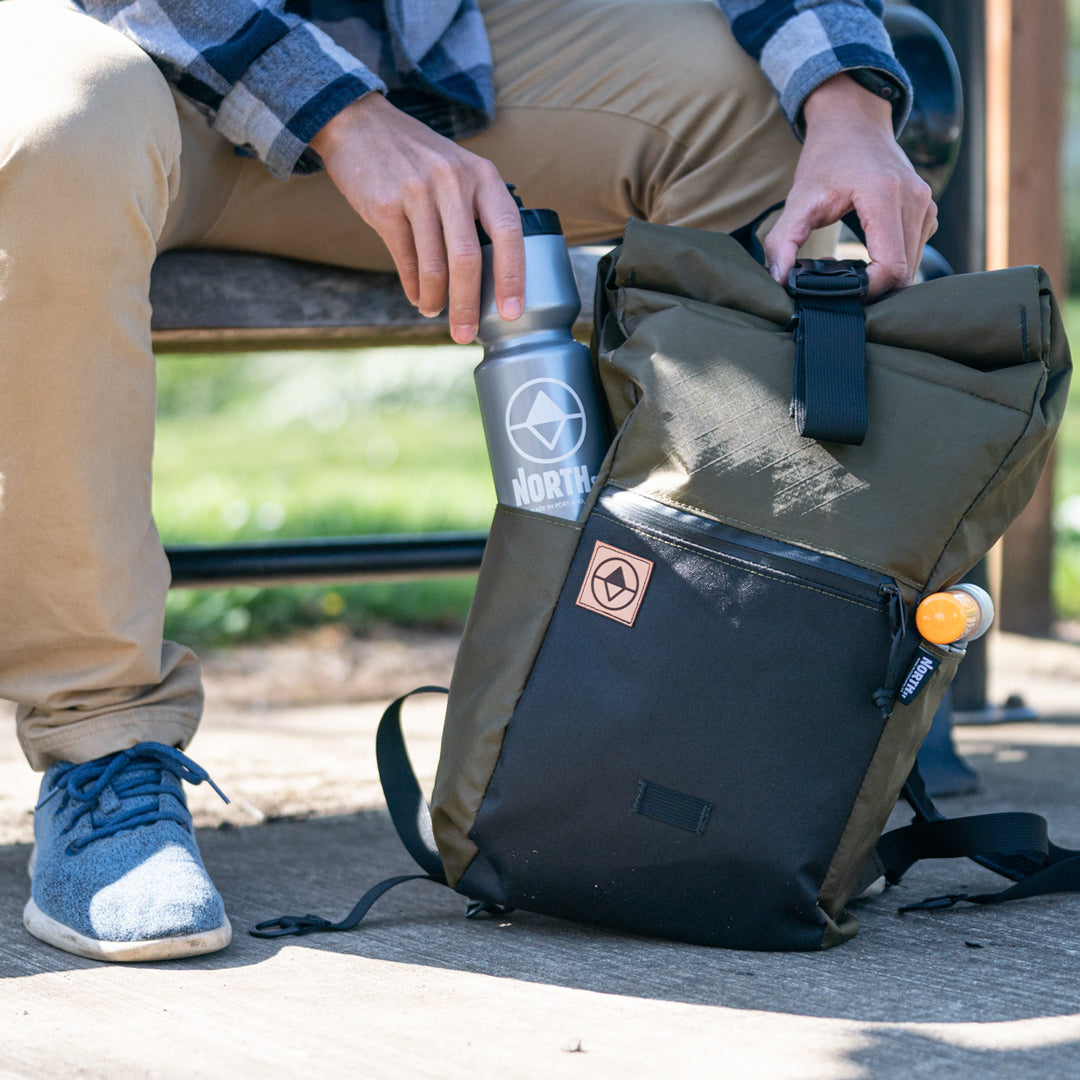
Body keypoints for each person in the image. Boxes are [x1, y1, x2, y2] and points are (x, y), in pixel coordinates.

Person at [0, 0, 936, 962]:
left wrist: (849, 108)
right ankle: (100, 746)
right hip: (140, 66)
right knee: (62, 124)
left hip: (424, 62)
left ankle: (737, 707)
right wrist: (342, 115)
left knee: (771, 127)